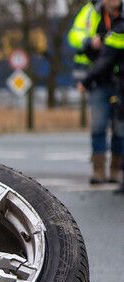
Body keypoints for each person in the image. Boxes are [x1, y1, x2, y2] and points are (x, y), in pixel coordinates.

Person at [70, 0, 124, 185]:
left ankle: (116, 170)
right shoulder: (90, 11)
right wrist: (88, 41)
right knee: (98, 125)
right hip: (97, 79)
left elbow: (110, 54)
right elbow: (74, 35)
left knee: (119, 127)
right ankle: (99, 171)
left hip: (119, 80)